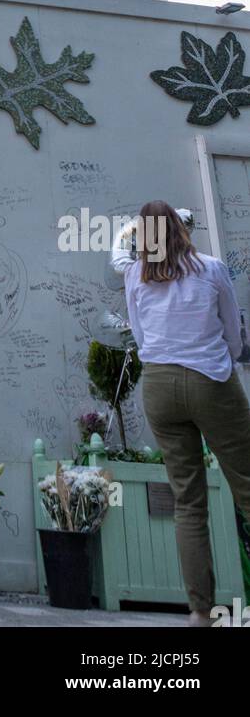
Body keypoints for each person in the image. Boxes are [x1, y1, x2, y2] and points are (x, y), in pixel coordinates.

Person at [121, 199, 250, 626]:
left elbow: (140, 334)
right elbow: (234, 331)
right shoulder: (211, 268)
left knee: (188, 501)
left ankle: (199, 612)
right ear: (180, 228)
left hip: (159, 386)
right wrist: (226, 363)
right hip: (210, 379)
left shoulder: (135, 274)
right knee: (247, 486)